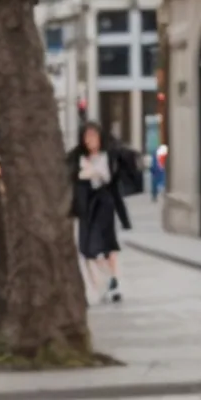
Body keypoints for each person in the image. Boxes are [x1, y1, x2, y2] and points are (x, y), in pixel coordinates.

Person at [67, 121, 130, 303]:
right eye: (87, 137)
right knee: (88, 250)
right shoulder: (76, 158)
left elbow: (114, 184)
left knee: (108, 246)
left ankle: (113, 283)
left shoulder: (108, 156)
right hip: (86, 207)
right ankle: (110, 281)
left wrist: (124, 218)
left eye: (94, 136)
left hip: (104, 205)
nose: (91, 140)